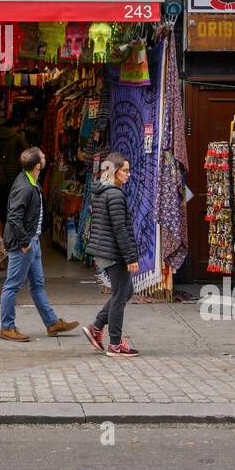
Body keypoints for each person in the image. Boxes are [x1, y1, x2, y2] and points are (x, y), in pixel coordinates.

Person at [0, 146, 78, 342]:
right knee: (12, 286)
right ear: (37, 165)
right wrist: (25, 242)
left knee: (37, 284)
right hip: (23, 245)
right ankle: (7, 327)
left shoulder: (30, 181)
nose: (45, 157)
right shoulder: (25, 186)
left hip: (33, 242)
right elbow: (14, 217)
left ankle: (52, 322)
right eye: (43, 156)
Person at [83, 153, 140, 356]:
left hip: (104, 249)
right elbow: (120, 229)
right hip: (113, 251)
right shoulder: (114, 194)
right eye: (124, 170)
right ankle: (115, 344)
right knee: (119, 295)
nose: (128, 174)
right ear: (114, 171)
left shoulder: (101, 191)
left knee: (126, 291)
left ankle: (96, 326)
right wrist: (130, 257)